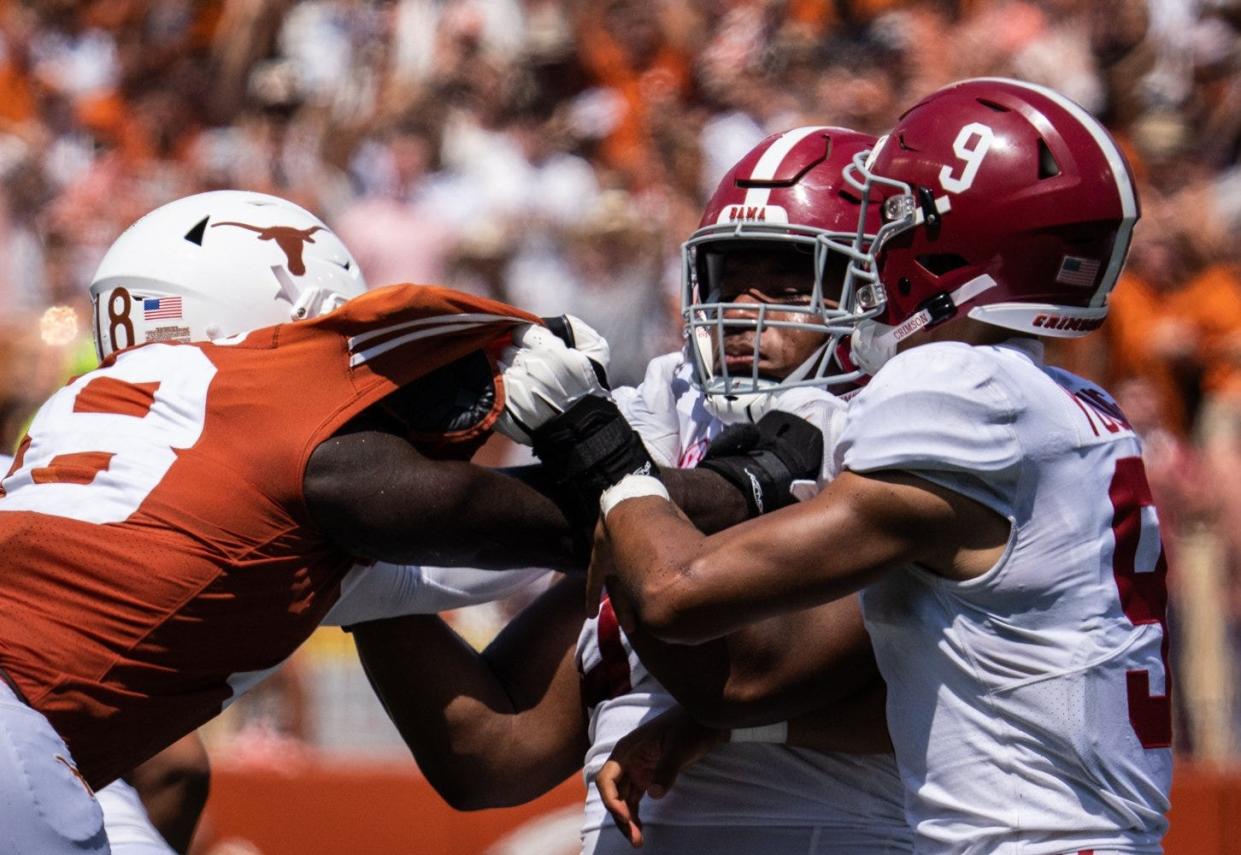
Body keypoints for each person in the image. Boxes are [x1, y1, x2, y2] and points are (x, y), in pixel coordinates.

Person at [0, 190, 808, 854]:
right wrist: (740, 483)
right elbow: (504, 526)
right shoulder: (280, 423)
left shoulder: (76, 411)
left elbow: (433, 569)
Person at [510, 79, 1172, 853]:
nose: (878, 245)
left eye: (896, 214)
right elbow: (959, 686)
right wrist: (717, 732)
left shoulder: (957, 385)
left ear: (953, 234)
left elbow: (674, 594)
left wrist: (601, 452)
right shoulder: (1075, 405)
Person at [353, 127, 912, 854]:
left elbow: (736, 673)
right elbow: (493, 750)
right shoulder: (673, 418)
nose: (742, 310)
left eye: (786, 284)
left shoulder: (903, 427)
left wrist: (597, 457)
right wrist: (355, 554)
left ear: (878, 295)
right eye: (726, 279)